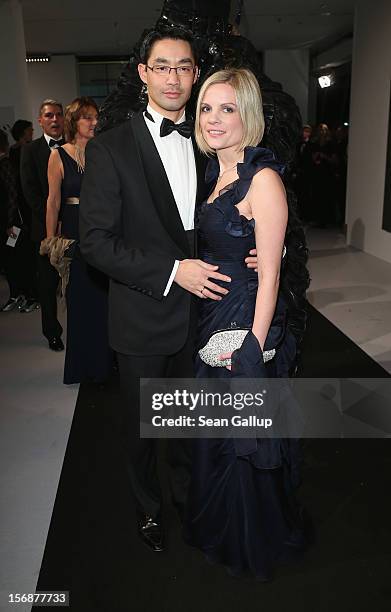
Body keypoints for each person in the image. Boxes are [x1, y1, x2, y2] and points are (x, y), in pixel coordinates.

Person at [79, 28, 258, 553]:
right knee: (142, 430)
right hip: (142, 315)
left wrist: (255, 249)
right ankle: (148, 509)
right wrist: (172, 271)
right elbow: (95, 242)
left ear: (195, 74)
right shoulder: (111, 148)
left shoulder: (213, 143)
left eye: (183, 67)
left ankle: (188, 501)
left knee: (187, 421)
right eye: (163, 67)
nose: (174, 77)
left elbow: (231, 216)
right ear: (143, 74)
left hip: (203, 315)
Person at [183, 68, 307, 580]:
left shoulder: (263, 177)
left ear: (248, 115)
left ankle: (250, 537)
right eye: (207, 107)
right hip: (214, 315)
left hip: (244, 320)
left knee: (242, 434)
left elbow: (273, 272)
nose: (214, 119)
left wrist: (254, 347)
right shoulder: (217, 175)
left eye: (227, 108)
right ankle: (221, 523)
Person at [45, 97, 112, 384]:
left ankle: (107, 363)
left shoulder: (102, 153)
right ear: (74, 121)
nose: (94, 122)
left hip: (103, 231)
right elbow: (53, 201)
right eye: (87, 117)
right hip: (74, 234)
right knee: (80, 302)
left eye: (95, 117)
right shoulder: (58, 155)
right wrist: (50, 241)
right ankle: (83, 367)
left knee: (105, 302)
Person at [21, 100, 65, 350]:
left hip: (73, 228)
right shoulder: (30, 151)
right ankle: (52, 333)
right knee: (48, 286)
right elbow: (30, 193)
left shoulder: (73, 148)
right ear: (40, 121)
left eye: (59, 114)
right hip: (43, 231)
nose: (55, 119)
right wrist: (53, 221)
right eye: (49, 115)